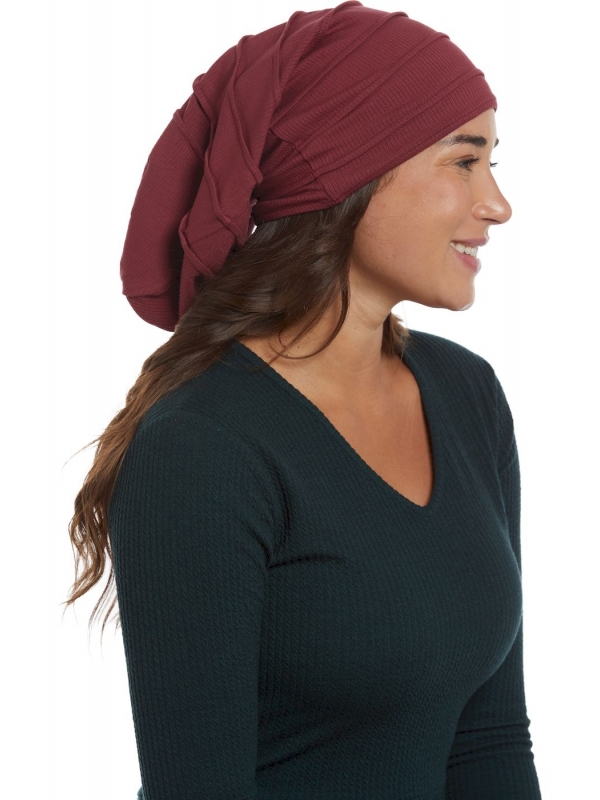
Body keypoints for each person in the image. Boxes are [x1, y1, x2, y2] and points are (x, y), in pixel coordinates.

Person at [65, 2, 543, 798]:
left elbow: (488, 738)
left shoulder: (467, 395)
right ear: (351, 170)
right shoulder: (202, 448)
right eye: (464, 162)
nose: (497, 204)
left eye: (492, 163)